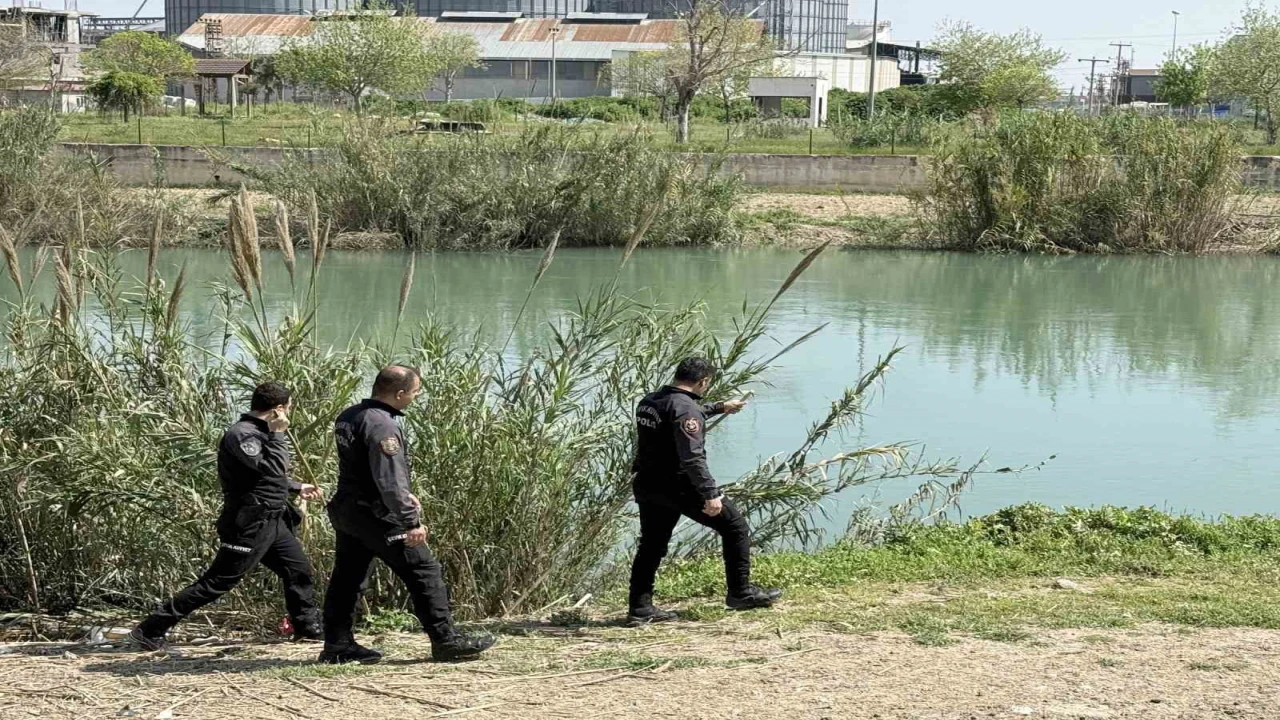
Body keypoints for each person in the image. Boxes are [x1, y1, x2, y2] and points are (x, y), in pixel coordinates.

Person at [320, 365, 495, 665]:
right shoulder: (383, 426)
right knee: (423, 571)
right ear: (399, 394)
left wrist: (398, 495)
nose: (415, 397)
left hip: (348, 511)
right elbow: (389, 478)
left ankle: (337, 645)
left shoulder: (349, 416)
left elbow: (364, 469)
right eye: (414, 393)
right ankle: (446, 641)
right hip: (378, 514)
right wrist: (410, 521)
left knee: (347, 579)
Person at [130, 382, 325, 651]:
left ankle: (308, 630)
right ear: (279, 409)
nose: (290, 412)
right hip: (249, 523)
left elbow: (264, 476)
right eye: (289, 407)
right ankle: (150, 629)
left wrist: (296, 487)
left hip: (273, 519)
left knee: (298, 570)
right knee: (218, 582)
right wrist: (279, 435)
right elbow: (271, 468)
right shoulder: (242, 435)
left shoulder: (261, 431)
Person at [627, 356, 782, 625]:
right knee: (734, 526)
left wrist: (721, 407)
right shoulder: (686, 409)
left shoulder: (650, 401)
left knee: (651, 545)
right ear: (704, 381)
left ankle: (640, 609)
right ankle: (741, 592)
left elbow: (682, 414)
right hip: (680, 486)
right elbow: (692, 457)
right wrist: (710, 494)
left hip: (649, 484)